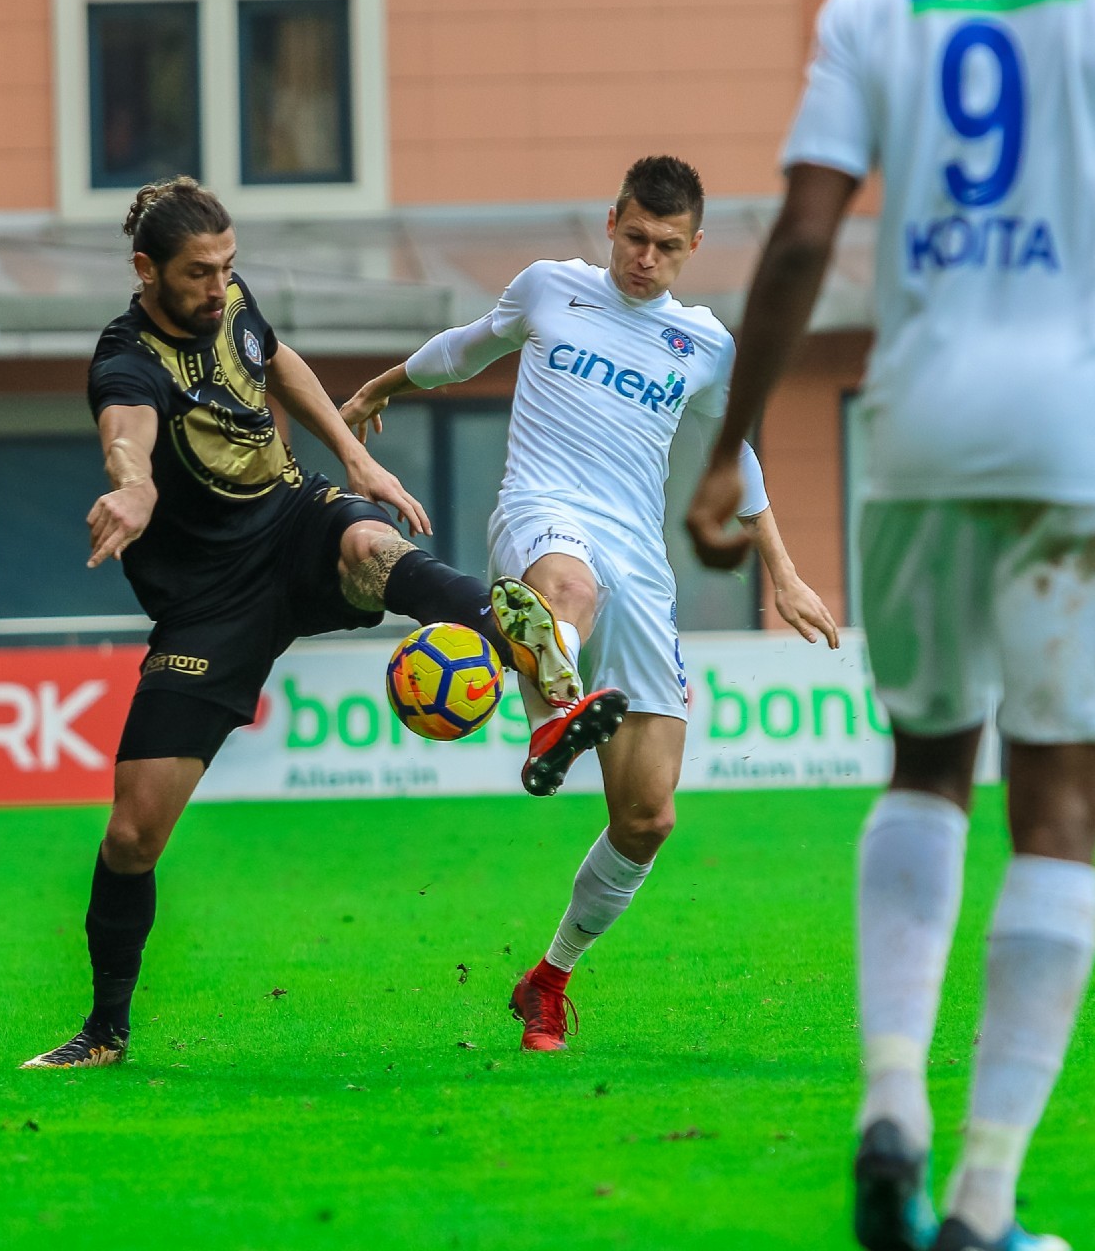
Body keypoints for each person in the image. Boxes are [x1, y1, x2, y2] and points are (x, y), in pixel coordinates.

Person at [684, 0, 1095, 1247]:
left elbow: (803, 239)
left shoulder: (872, 4)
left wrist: (731, 443)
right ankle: (983, 1199)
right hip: (1094, 439)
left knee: (926, 767)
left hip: (923, 431)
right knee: (1060, 816)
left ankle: (890, 1100)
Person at [20, 178, 577, 1071]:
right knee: (131, 835)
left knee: (370, 543)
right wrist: (133, 486)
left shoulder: (230, 302)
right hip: (208, 604)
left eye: (227, 267)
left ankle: (529, 646)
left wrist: (355, 456)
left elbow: (277, 360)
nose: (218, 287)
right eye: (198, 273)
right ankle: (105, 1033)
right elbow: (126, 434)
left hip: (292, 521)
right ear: (146, 270)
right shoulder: (125, 361)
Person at [342, 156, 838, 1053]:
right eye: (635, 237)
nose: (646, 258)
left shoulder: (705, 346)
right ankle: (553, 718)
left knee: (647, 818)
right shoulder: (549, 288)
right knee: (572, 588)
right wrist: (383, 387)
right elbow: (465, 348)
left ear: (694, 246)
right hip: (542, 514)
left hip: (640, 562)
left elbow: (736, 461)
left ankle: (549, 978)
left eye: (667, 247)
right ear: (611, 222)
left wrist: (786, 573)